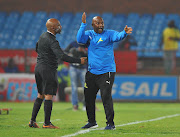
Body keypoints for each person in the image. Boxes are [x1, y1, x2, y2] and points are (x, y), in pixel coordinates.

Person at [77, 12, 132, 130]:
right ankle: (92, 122)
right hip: (92, 72)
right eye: (98, 23)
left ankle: (110, 124)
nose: (101, 25)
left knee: (106, 96)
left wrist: (124, 33)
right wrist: (83, 24)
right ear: (93, 24)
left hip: (106, 72)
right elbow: (79, 39)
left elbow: (118, 36)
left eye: (102, 22)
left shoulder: (109, 34)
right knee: (88, 97)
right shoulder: (89, 34)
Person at [29, 18, 87, 129]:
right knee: (48, 95)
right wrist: (79, 60)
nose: (60, 27)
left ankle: (32, 121)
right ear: (52, 27)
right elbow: (62, 56)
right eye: (58, 25)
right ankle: (47, 123)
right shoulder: (52, 40)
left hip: (38, 68)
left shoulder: (42, 36)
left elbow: (37, 48)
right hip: (48, 69)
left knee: (40, 95)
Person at [66, 41, 88, 111]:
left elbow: (90, 56)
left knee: (86, 86)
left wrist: (84, 52)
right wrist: (70, 54)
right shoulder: (73, 44)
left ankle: (86, 104)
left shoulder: (86, 44)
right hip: (73, 67)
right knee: (74, 87)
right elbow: (66, 52)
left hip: (82, 68)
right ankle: (75, 105)